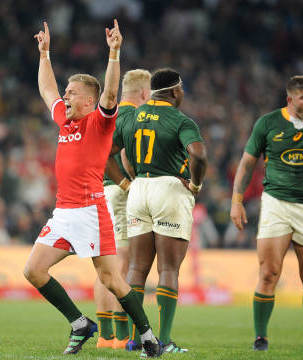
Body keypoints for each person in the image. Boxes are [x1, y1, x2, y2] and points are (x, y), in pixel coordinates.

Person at [23, 20, 163, 357]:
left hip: (91, 210)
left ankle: (148, 338)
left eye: (71, 93)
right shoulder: (64, 119)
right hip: (63, 212)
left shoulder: (99, 121)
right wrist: (44, 55)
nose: (64, 97)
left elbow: (111, 93)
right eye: (66, 92)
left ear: (89, 100)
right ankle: (79, 324)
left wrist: (114, 52)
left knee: (113, 280)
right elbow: (47, 91)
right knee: (33, 270)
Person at [230, 75, 303, 353]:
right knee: (269, 272)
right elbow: (246, 164)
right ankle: (260, 337)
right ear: (290, 100)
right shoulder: (268, 123)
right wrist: (236, 201)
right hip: (276, 204)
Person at [121, 68, 207, 354]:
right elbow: (198, 154)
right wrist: (195, 184)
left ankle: (136, 339)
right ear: (173, 91)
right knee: (168, 268)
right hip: (169, 189)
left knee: (136, 269)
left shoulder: (133, 115)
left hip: (138, 189)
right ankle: (165, 340)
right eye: (181, 89)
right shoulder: (181, 120)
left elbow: (111, 151)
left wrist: (127, 179)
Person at [94, 69, 151, 350]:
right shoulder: (133, 117)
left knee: (104, 268)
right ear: (144, 93)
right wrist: (129, 184)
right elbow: (127, 157)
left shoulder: (106, 113)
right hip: (117, 193)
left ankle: (105, 336)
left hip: (97, 192)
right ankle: (121, 336)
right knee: (121, 266)